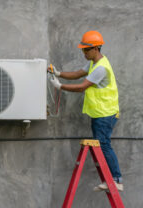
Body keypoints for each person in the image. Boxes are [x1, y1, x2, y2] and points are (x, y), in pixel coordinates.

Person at [48, 30, 123, 191]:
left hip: (106, 113)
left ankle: (116, 180)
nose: (83, 52)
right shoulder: (93, 63)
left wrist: (60, 86)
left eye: (86, 49)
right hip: (100, 113)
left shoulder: (101, 68)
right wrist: (58, 73)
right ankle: (110, 181)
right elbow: (77, 74)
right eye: (83, 49)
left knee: (104, 145)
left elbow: (82, 87)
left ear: (96, 48)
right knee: (102, 145)